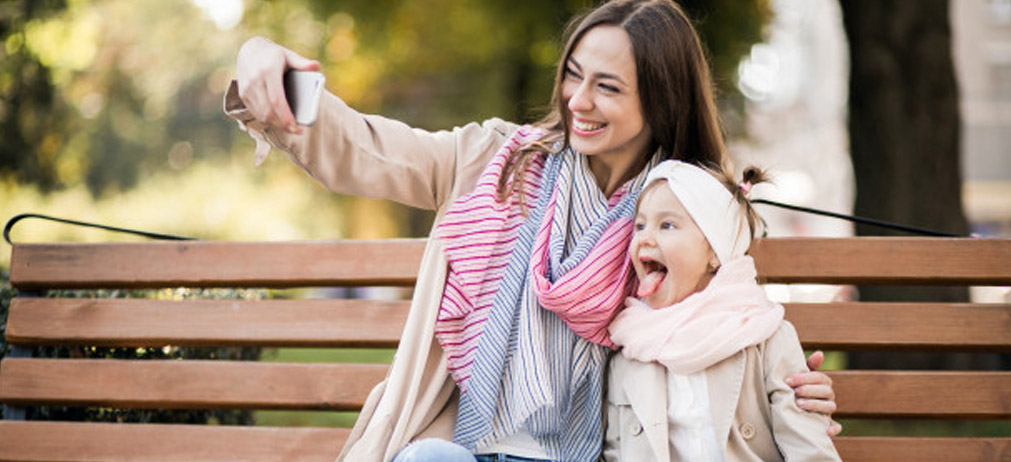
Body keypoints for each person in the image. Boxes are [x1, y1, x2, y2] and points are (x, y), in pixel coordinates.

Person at [225, 1, 839, 461]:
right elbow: (367, 149)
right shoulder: (496, 160)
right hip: (466, 444)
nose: (578, 100)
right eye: (574, 75)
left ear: (661, 101)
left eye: (607, 87)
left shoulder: (684, 217)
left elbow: (730, 323)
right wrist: (268, 70)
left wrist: (789, 398)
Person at [604, 160, 841, 462]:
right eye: (640, 225)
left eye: (667, 225)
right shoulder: (631, 348)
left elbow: (809, 448)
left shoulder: (763, 333)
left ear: (715, 253)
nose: (645, 238)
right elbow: (614, 451)